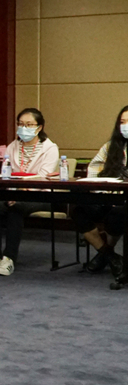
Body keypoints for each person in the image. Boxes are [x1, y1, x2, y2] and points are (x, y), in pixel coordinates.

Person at [0, 108, 60, 276]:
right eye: (21, 124)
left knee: (16, 208)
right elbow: (6, 173)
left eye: (29, 125)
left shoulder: (50, 148)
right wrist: (12, 193)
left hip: (40, 194)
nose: (24, 128)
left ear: (39, 127)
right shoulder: (13, 146)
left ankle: (9, 258)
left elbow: (44, 177)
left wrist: (20, 193)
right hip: (13, 192)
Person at [69, 106, 128, 276]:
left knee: (117, 214)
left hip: (123, 203)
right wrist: (103, 192)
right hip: (107, 197)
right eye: (122, 122)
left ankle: (105, 254)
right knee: (79, 210)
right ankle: (110, 255)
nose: (125, 126)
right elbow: (93, 171)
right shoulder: (110, 147)